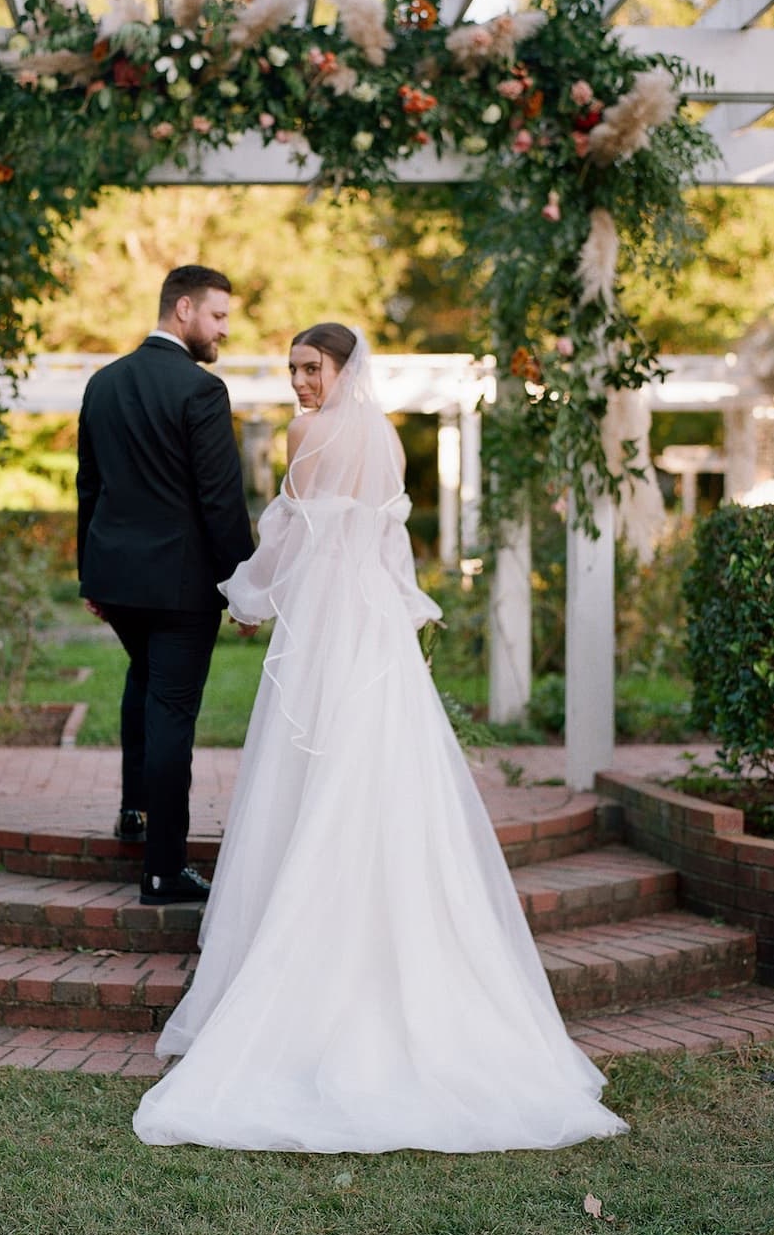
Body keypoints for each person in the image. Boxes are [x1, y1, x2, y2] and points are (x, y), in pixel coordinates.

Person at [133, 322, 629, 1153]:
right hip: (373, 627)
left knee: (318, 768)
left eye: (311, 368)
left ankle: (310, 963)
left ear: (340, 370)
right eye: (293, 370)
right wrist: (404, 606)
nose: (300, 383)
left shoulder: (308, 434)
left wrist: (246, 593)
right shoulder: (385, 438)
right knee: (380, 770)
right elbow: (388, 540)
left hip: (327, 626)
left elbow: (290, 543)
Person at [76, 265, 255, 906]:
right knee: (171, 710)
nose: (224, 331)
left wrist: (87, 573)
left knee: (143, 679)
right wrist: (245, 587)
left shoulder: (102, 384)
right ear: (183, 310)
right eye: (218, 316)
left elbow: (88, 488)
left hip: (117, 581)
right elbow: (221, 502)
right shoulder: (201, 391)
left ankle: (133, 811)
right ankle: (162, 870)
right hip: (181, 590)